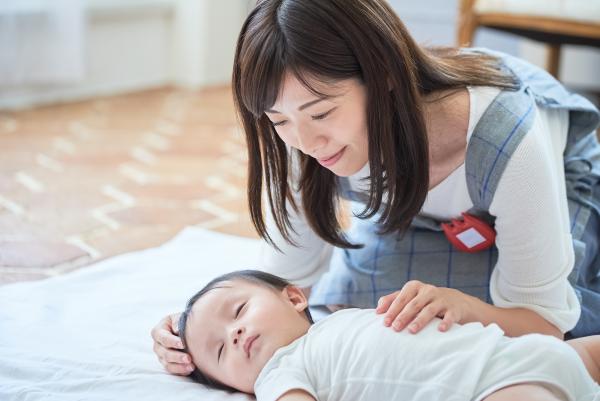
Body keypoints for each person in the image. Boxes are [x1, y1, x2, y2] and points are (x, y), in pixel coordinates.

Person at [151, 0, 600, 375]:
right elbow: (287, 288)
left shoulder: (507, 139)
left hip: (558, 179)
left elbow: (543, 323)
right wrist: (196, 330)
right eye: (278, 120)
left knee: (499, 336)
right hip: (419, 213)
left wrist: (465, 308)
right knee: (362, 313)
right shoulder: (300, 136)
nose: (306, 143)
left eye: (322, 113)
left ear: (382, 76)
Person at [178, 270, 600, 401]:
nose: (234, 334)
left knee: (584, 357)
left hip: (518, 354)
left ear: (293, 297)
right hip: (491, 391)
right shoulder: (280, 376)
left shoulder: (339, 318)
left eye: (238, 312)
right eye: (218, 351)